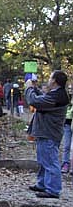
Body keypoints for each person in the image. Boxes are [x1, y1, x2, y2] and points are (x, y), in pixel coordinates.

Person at [25, 70, 69, 199]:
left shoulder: (57, 97)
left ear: (54, 80)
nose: (48, 80)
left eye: (50, 78)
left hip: (49, 133)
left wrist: (29, 88)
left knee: (50, 162)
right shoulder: (56, 94)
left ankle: (53, 189)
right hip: (46, 132)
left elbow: (34, 101)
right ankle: (42, 184)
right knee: (43, 160)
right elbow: (42, 98)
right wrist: (35, 88)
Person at [63, 90, 73, 174]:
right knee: (66, 146)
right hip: (67, 125)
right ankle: (65, 163)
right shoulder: (65, 99)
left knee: (72, 148)